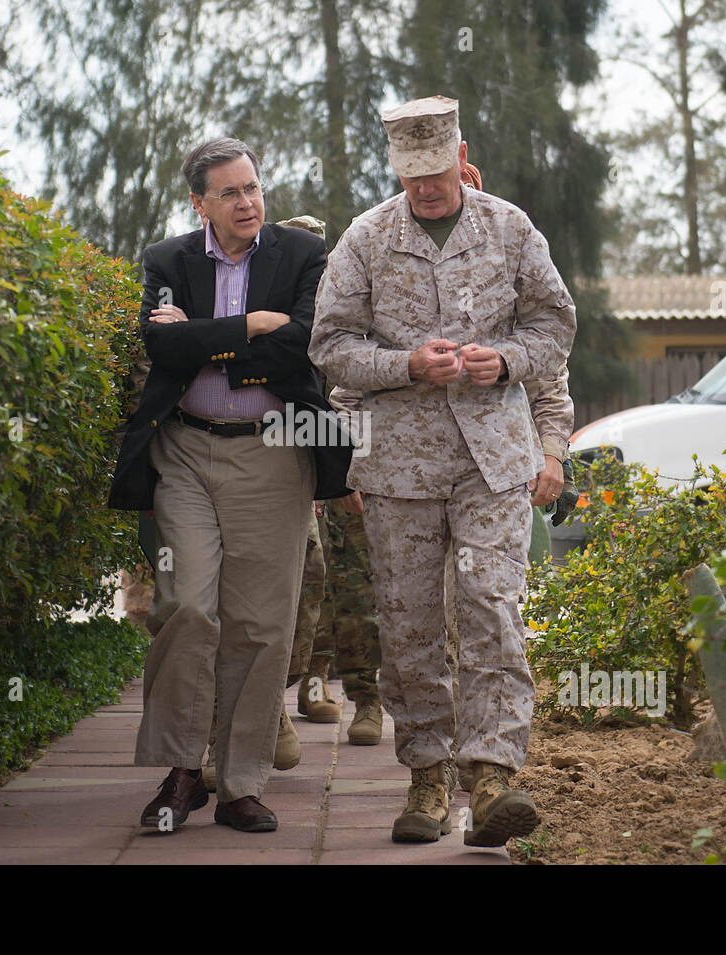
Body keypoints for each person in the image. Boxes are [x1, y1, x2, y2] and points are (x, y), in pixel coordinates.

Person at [309, 96, 576, 846]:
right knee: (411, 623)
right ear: (395, 169)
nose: (426, 188)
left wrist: (509, 360)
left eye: (437, 173)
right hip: (401, 466)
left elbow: (555, 323)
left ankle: (492, 776)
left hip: (494, 457)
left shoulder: (510, 227)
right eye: (411, 176)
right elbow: (330, 347)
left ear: (461, 155)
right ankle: (426, 775)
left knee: (493, 605)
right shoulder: (365, 240)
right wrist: (404, 365)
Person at [108, 138, 352, 833]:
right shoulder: (166, 260)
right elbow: (163, 346)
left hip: (275, 456)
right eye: (231, 193)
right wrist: (248, 325)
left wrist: (207, 335)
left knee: (259, 623)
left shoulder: (303, 256)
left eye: (254, 187)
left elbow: (303, 341)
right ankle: (182, 771)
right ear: (200, 203)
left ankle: (241, 781)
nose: (248, 202)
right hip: (184, 450)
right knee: (187, 605)